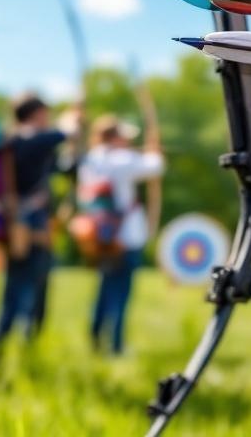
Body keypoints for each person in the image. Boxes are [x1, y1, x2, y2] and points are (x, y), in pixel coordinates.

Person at [0, 94, 79, 366]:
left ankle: (14, 356)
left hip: (29, 228)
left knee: (25, 294)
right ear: (36, 114)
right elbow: (60, 134)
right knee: (23, 296)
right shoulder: (24, 138)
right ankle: (11, 356)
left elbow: (62, 167)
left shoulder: (26, 143)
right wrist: (70, 123)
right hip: (26, 229)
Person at [79, 115, 164, 355]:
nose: (128, 141)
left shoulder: (91, 159)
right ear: (115, 137)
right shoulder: (122, 159)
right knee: (121, 291)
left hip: (99, 236)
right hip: (124, 237)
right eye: (124, 137)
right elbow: (156, 166)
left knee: (105, 286)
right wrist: (154, 149)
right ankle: (116, 345)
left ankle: (96, 337)